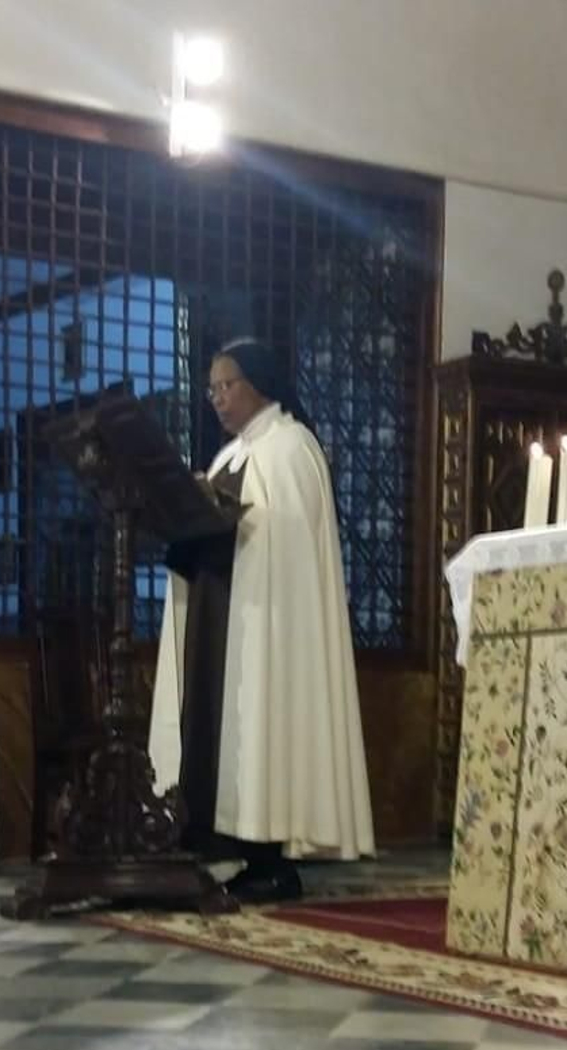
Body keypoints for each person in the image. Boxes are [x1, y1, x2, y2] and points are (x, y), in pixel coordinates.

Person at [148, 337, 375, 903]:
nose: (218, 399)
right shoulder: (231, 455)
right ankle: (233, 844)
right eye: (212, 389)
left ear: (260, 383)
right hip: (223, 615)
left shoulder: (290, 448)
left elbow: (288, 546)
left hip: (266, 626)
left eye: (228, 386)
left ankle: (271, 859)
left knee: (263, 728)